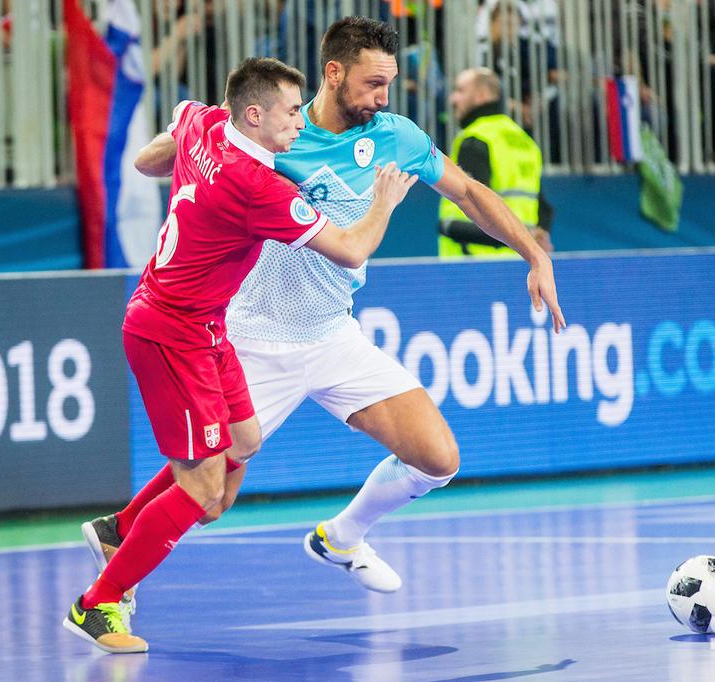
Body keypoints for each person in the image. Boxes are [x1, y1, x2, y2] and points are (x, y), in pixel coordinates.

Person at [84, 16, 564, 603]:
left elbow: (468, 192)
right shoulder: (272, 131)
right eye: (372, 84)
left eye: (389, 85)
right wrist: (180, 148)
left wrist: (532, 254)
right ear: (333, 74)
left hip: (333, 335)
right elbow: (168, 156)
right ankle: (118, 540)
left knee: (438, 458)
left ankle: (342, 536)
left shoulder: (396, 136)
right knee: (211, 498)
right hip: (252, 335)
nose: (382, 98)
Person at [62, 56, 418, 654]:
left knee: (244, 443)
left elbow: (151, 155)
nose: (299, 127)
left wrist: (178, 173)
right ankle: (96, 603)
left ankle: (117, 530)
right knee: (204, 493)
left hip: (206, 326)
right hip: (169, 334)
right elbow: (352, 251)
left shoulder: (205, 123)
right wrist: (383, 200)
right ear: (253, 115)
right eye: (287, 116)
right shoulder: (258, 188)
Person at [439, 66, 552, 257]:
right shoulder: (525, 140)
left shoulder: (475, 138)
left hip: (473, 263)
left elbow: (477, 205)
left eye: (460, 91)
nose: (453, 99)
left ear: (482, 95)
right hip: (518, 262)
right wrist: (532, 240)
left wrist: (447, 227)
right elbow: (543, 207)